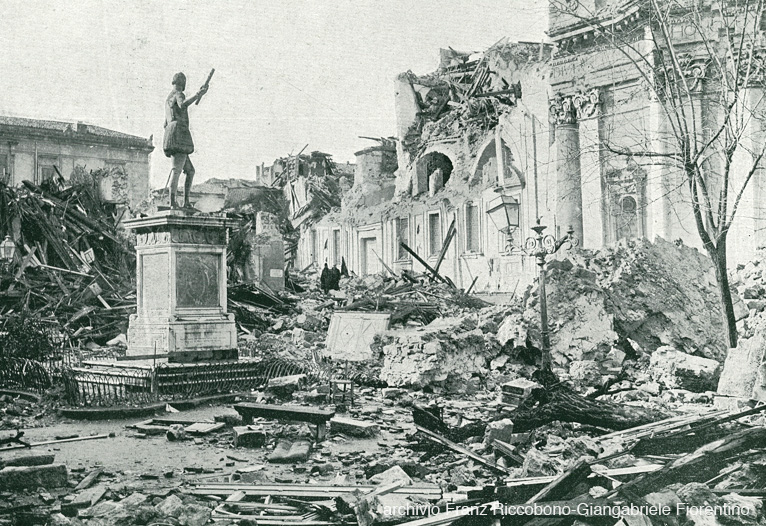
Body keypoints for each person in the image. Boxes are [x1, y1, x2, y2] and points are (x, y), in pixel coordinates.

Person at [164, 72, 208, 209]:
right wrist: (197, 95)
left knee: (189, 170)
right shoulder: (179, 94)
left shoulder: (168, 98)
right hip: (179, 135)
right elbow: (182, 105)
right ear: (183, 83)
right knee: (177, 170)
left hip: (171, 133)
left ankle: (186, 202)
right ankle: (173, 203)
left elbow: (165, 123)